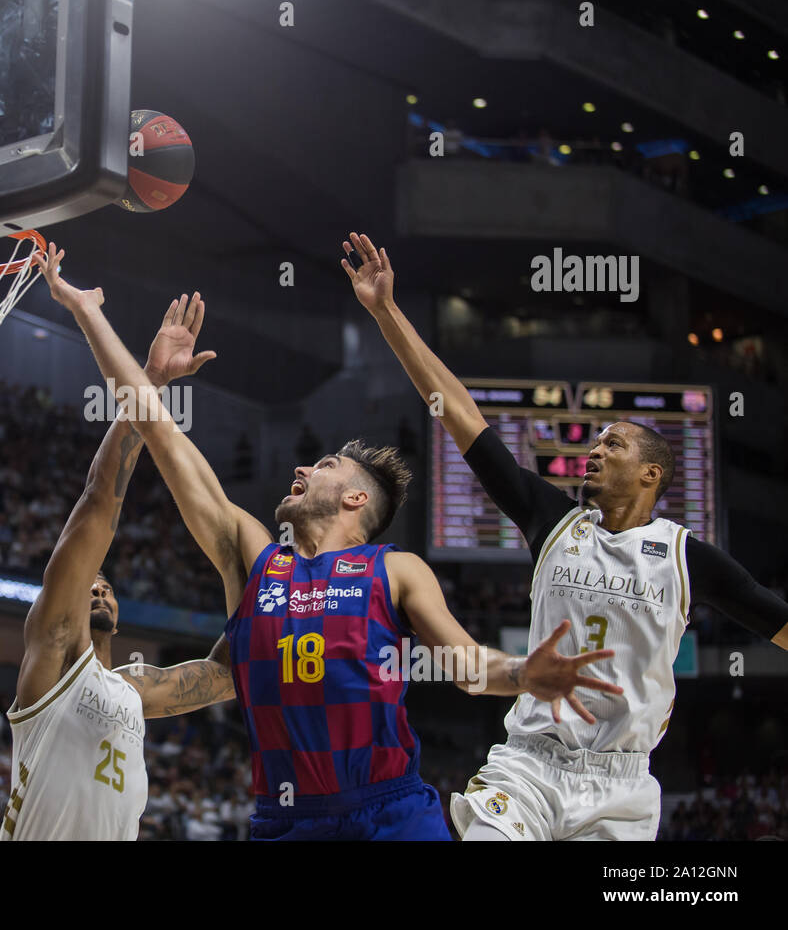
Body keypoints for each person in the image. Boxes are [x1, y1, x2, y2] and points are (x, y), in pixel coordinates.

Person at [40, 242, 613, 841]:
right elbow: (157, 432)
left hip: (393, 813)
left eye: (326, 464)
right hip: (286, 821)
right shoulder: (253, 554)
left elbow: (467, 668)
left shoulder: (395, 571)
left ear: (356, 499)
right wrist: (94, 319)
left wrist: (523, 673)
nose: (303, 468)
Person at [343, 230, 788, 840]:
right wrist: (387, 312)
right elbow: (460, 414)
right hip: (530, 766)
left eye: (613, 444)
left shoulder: (689, 559)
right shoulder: (553, 519)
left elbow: (776, 619)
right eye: (595, 441)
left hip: (622, 784)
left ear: (652, 473)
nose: (593, 451)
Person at [0, 287, 242, 841]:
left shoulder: (135, 691)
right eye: (92, 584)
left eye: (107, 587)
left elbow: (231, 674)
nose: (99, 590)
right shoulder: (55, 651)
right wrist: (149, 384)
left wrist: (252, 568)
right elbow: (98, 502)